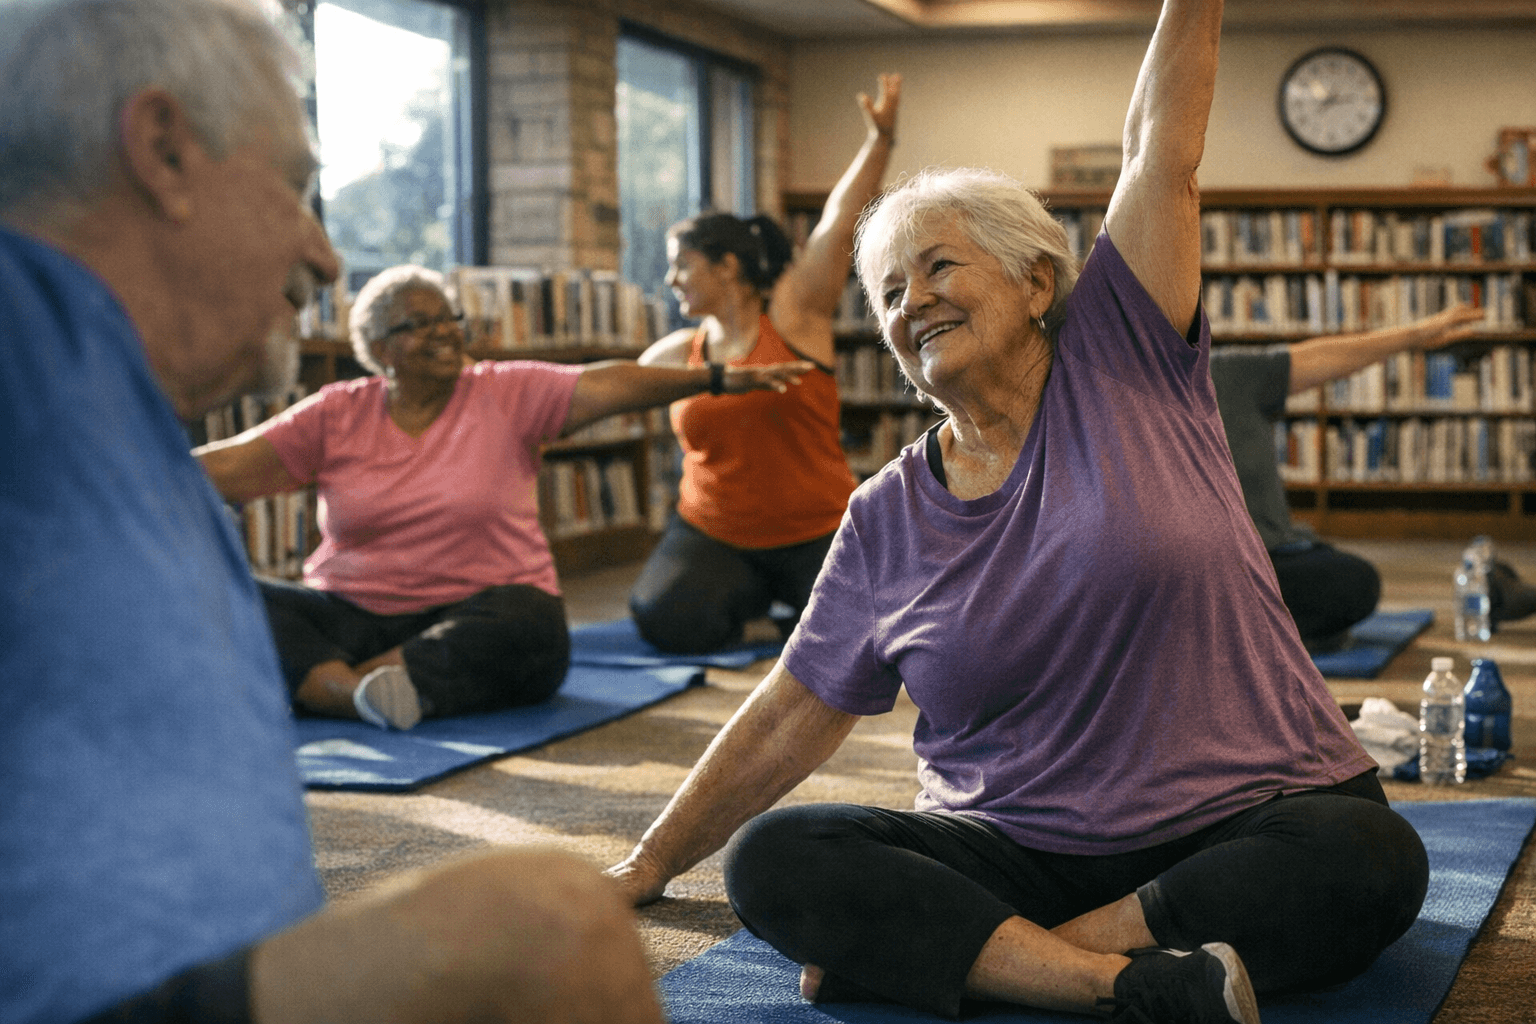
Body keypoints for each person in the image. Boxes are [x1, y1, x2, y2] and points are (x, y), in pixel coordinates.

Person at [608, 3, 1429, 1022]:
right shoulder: (884, 516)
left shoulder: (1128, 363)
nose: (913, 303)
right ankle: (1116, 986)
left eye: (940, 266)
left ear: (1039, 280)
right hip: (1015, 851)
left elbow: (1160, 150)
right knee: (777, 859)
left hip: (1242, 820)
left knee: (1369, 858)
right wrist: (646, 860)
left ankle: (994, 963)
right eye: (891, 292)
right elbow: (790, 710)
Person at [0, 2, 663, 1022]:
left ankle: (357, 684)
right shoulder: (29, 339)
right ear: (165, 149)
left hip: (230, 955)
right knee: (555, 930)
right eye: (299, 187)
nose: (322, 256)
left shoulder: (125, 409)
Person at [195, 265, 810, 730]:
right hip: (353, 609)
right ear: (380, 348)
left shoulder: (503, 392)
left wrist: (717, 377)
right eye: (420, 323)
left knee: (533, 627)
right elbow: (228, 466)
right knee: (240, 596)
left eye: (448, 318)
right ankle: (367, 689)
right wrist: (114, 463)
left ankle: (336, 686)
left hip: (478, 610)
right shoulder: (336, 414)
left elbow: (607, 384)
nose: (444, 332)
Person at [626, 74, 901, 653]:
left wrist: (879, 143)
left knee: (877, 632)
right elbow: (607, 388)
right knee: (660, 617)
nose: (671, 279)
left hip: (815, 531)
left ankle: (782, 619)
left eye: (683, 265)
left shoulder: (796, 315)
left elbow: (837, 219)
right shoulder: (680, 354)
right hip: (714, 533)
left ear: (726, 266)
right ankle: (763, 617)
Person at [1209, 305, 1532, 651]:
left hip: (1273, 555)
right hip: (1208, 568)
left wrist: (1415, 334)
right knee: (1351, 585)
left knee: (1345, 578)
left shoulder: (1227, 372)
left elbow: (1322, 357)